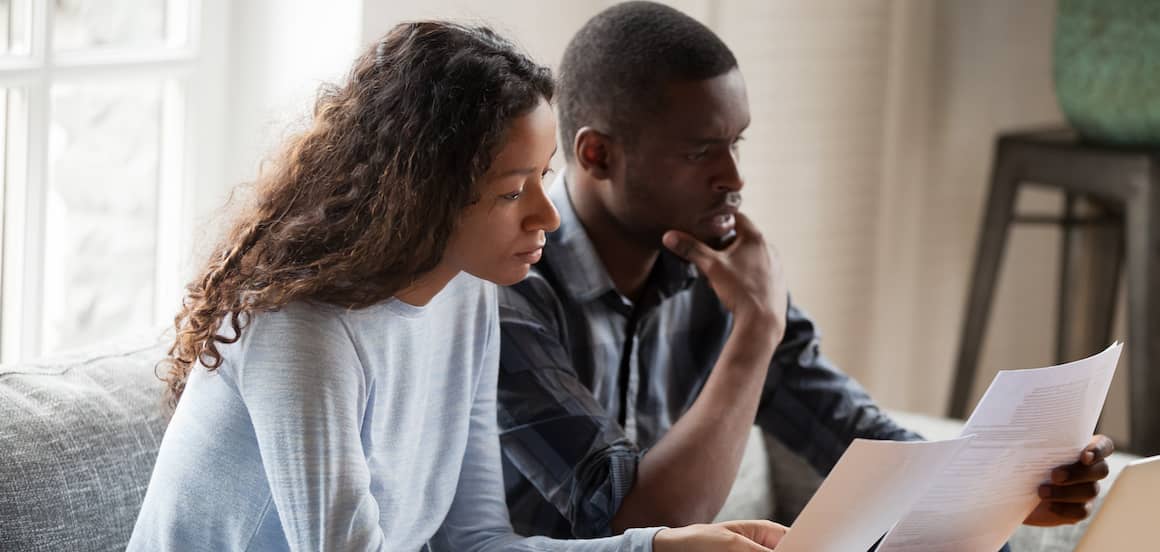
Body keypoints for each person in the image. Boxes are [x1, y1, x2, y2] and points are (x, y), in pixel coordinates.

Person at [128, 21, 787, 552]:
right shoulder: (302, 330)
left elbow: (475, 541)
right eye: (510, 191)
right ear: (420, 197)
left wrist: (665, 547)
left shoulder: (471, 295)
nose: (547, 214)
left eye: (542, 175)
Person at [495, 1, 1114, 547]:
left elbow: (850, 435)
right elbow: (645, 528)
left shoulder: (717, 266)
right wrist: (755, 329)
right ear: (596, 154)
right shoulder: (510, 292)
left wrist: (1012, 486)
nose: (733, 179)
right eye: (700, 151)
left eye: (735, 144)